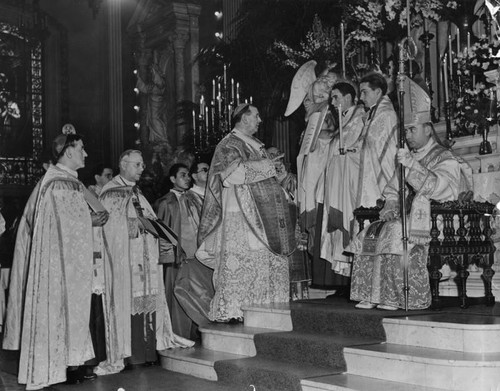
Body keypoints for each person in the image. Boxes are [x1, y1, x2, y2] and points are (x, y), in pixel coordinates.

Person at [349, 77, 473, 310]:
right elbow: (392, 190)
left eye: (412, 129)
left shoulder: (444, 157)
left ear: (428, 129)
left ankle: (403, 296)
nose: (408, 135)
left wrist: (413, 168)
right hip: (407, 217)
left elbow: (439, 189)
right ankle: (375, 294)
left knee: (397, 232)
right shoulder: (410, 157)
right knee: (372, 231)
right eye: (405, 130)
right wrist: (391, 205)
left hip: (438, 220)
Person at [3, 131, 104, 389]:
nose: (86, 153)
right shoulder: (57, 183)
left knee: (72, 311)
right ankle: (59, 365)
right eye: (81, 148)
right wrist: (89, 220)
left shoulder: (66, 181)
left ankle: (71, 363)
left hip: (67, 263)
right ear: (68, 151)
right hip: (55, 265)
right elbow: (61, 224)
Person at [196, 104, 296, 322]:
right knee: (243, 261)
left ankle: (266, 305)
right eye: (256, 116)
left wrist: (276, 174)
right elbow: (232, 175)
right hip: (241, 213)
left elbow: (264, 174)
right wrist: (267, 167)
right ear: (243, 119)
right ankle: (236, 309)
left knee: (264, 260)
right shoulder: (229, 145)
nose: (260, 120)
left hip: (263, 211)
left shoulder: (256, 145)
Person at [98, 150, 193, 374]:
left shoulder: (137, 192)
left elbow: (151, 219)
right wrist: (136, 225)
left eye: (142, 164)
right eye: (137, 164)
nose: (142, 168)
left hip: (145, 259)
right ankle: (132, 355)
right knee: (130, 303)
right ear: (123, 165)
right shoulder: (111, 192)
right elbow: (108, 229)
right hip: (126, 262)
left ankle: (149, 351)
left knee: (149, 300)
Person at [156, 162, 213, 339]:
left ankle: (195, 334)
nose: (187, 178)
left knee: (198, 295)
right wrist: (170, 256)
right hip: (176, 258)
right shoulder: (166, 202)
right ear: (173, 179)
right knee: (176, 297)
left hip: (196, 256)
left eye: (189, 174)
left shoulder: (192, 198)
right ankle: (177, 335)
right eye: (183, 175)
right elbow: (163, 233)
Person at [319, 82, 365, 290]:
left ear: (348, 98)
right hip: (339, 185)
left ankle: (355, 280)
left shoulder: (359, 118)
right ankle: (347, 280)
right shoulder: (344, 119)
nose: (332, 102)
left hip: (351, 185)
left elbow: (357, 151)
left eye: (336, 97)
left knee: (351, 226)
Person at [356, 72, 398, 209]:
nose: (361, 98)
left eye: (364, 92)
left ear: (378, 91)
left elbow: (389, 152)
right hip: (369, 175)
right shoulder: (371, 115)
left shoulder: (387, 115)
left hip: (381, 178)